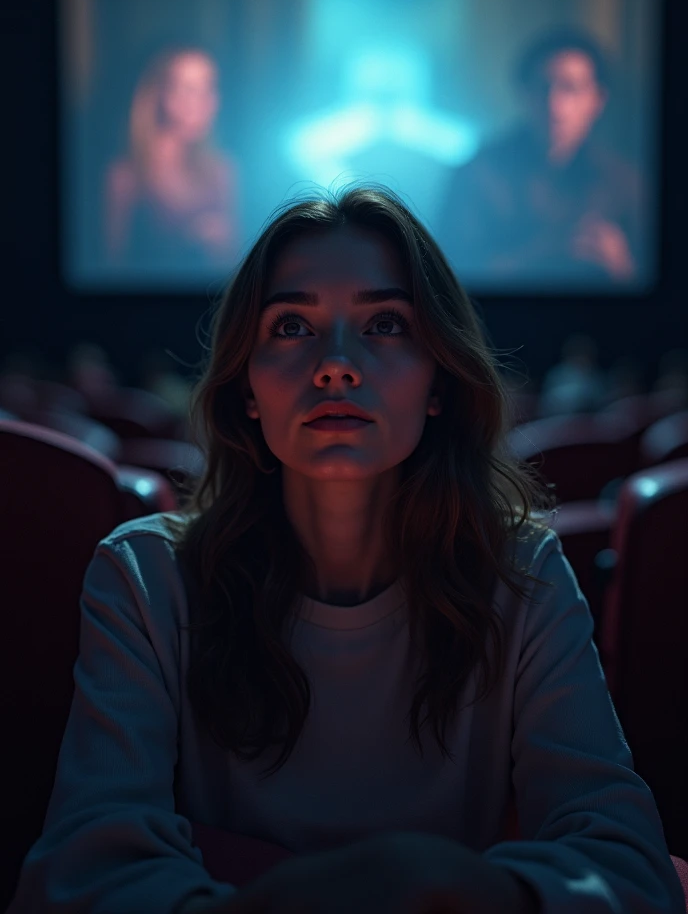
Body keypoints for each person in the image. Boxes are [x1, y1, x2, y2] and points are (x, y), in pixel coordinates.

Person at [8, 186, 684, 914]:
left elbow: (626, 861)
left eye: (385, 324)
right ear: (247, 390)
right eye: (293, 326)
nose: (336, 366)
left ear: (438, 382)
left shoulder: (522, 574)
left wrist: (476, 892)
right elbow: (83, 870)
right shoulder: (146, 576)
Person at [439, 28, 643, 285]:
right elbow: (448, 279)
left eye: (570, 88)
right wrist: (548, 251)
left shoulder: (626, 183)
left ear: (598, 100)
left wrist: (619, 263)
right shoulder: (477, 174)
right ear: (523, 93)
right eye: (543, 87)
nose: (555, 105)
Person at [104, 48, 239, 270]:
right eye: (187, 89)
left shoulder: (222, 170)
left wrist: (222, 245)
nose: (202, 102)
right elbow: (110, 270)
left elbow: (239, 270)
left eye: (210, 88)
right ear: (156, 94)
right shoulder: (125, 177)